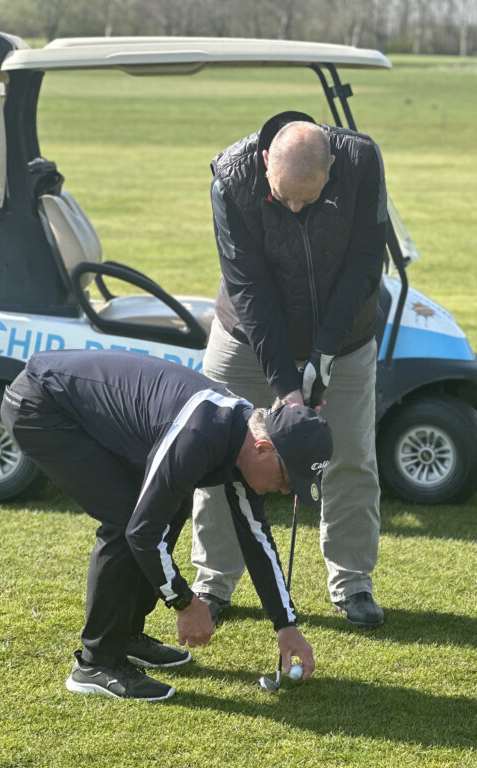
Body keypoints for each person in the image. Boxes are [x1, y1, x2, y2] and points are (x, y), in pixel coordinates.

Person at [0, 349, 332, 701]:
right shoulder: (200, 435)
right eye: (286, 481)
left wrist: (286, 624)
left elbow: (256, 537)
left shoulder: (243, 439)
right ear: (264, 448)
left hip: (73, 406)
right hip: (42, 404)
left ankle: (125, 635)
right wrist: (186, 604)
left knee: (168, 506)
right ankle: (96, 662)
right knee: (126, 519)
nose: (283, 491)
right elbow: (141, 532)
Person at [190, 110, 387, 629]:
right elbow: (249, 288)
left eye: (309, 197)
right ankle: (212, 582)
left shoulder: (361, 160)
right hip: (245, 336)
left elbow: (366, 264)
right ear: (264, 163)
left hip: (346, 336)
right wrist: (287, 388)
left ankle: (353, 583)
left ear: (331, 171)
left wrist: (323, 355)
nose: (296, 207)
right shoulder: (230, 177)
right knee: (217, 453)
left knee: (351, 455)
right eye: (285, 198)